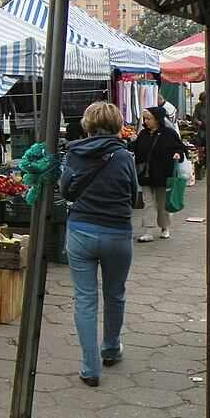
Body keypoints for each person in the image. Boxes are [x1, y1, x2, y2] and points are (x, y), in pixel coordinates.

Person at [59, 102, 140, 387]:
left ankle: (90, 367)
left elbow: (65, 189)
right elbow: (134, 196)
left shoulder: (74, 153)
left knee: (85, 299)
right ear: (117, 124)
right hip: (117, 233)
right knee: (115, 294)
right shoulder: (125, 156)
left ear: (88, 124)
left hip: (81, 231)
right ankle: (110, 348)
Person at [129, 107, 187, 242]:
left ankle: (165, 227)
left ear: (157, 119)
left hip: (163, 173)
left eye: (149, 119)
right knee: (148, 202)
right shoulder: (143, 134)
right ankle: (148, 231)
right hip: (145, 174)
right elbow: (136, 149)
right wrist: (131, 143)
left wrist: (178, 153)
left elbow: (180, 147)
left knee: (162, 203)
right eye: (145, 119)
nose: (146, 121)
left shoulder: (169, 133)